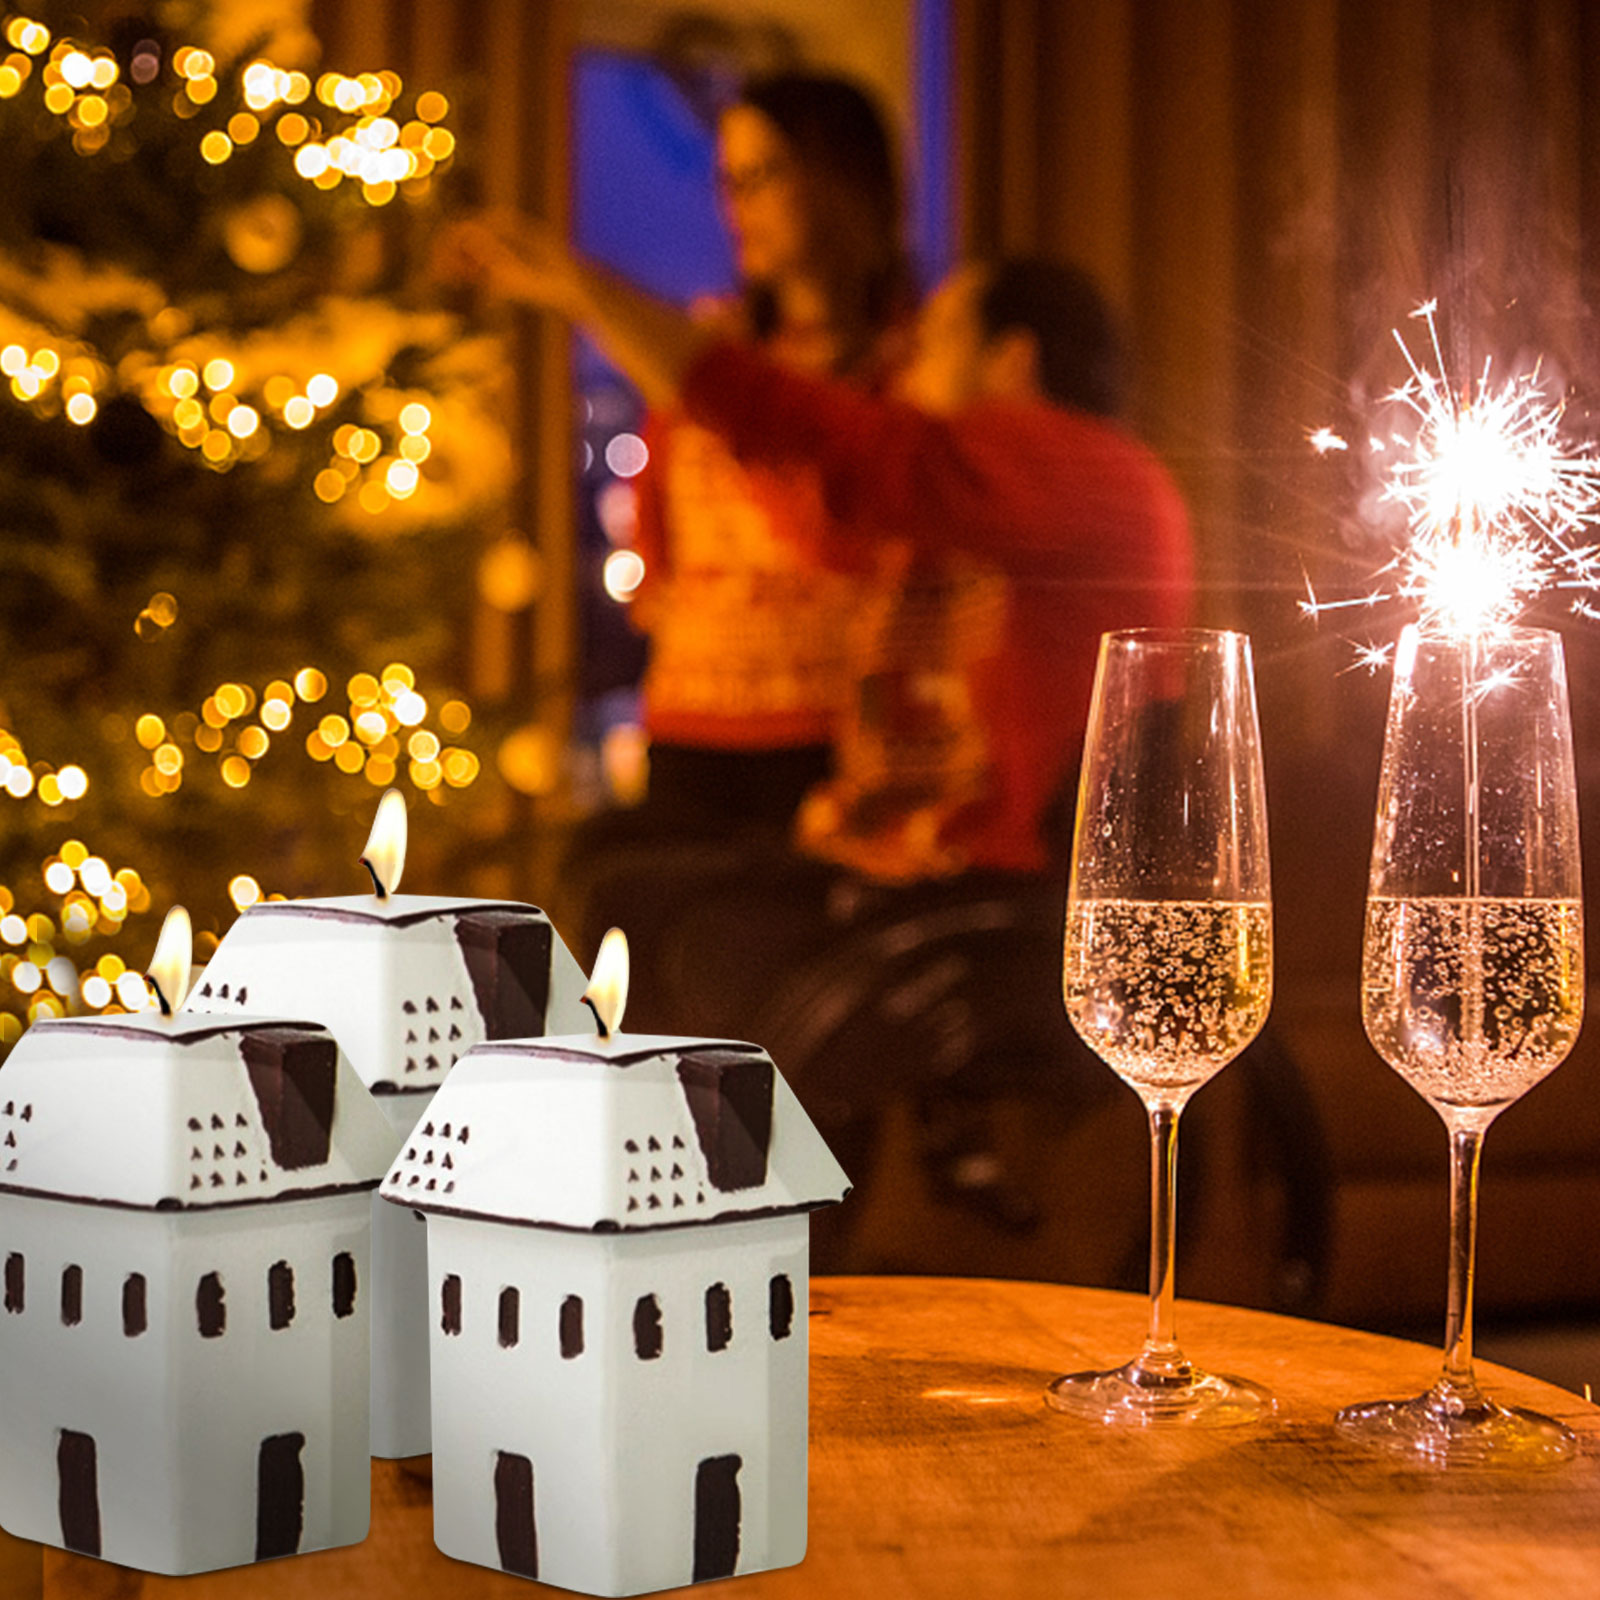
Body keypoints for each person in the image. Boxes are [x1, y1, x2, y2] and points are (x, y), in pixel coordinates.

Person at [589, 72, 916, 840]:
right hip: (690, 727)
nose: (738, 206)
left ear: (844, 178)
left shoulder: (915, 368)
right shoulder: (709, 353)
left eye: (763, 174)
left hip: (837, 741)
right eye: (728, 182)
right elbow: (656, 545)